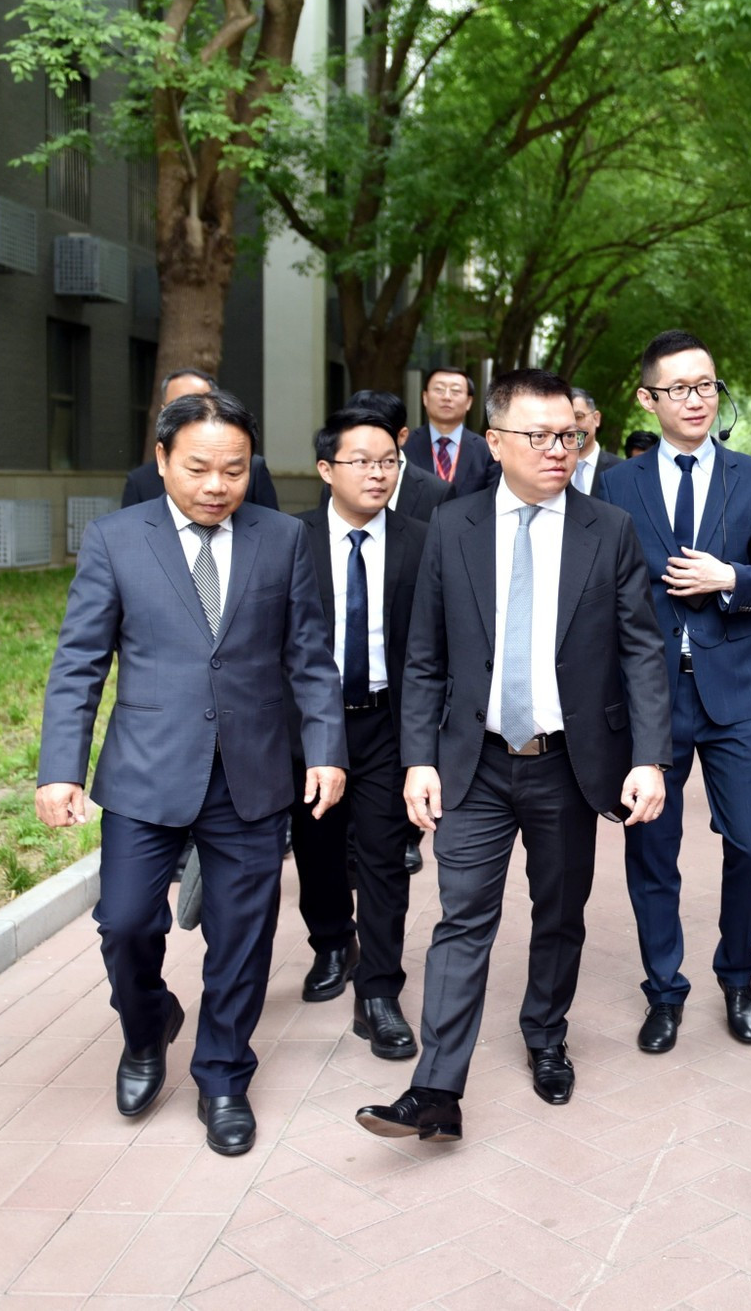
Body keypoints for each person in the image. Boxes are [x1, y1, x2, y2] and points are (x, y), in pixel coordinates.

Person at [356, 369, 671, 1143]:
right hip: (476, 762)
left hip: (569, 761)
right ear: (494, 442)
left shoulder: (609, 529)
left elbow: (641, 651)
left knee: (559, 913)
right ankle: (435, 1088)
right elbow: (425, 655)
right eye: (539, 436)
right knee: (462, 919)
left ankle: (546, 1034)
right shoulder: (454, 528)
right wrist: (418, 758)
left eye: (570, 434)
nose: (558, 449)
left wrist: (650, 756)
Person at [37, 389, 343, 1156]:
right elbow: (79, 661)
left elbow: (308, 655)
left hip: (252, 771)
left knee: (244, 934)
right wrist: (59, 768)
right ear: (164, 460)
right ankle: (148, 1028)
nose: (217, 485)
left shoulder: (281, 539)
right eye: (200, 467)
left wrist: (328, 747)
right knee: (126, 922)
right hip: (146, 771)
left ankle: (222, 1075)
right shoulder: (116, 539)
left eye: (234, 470)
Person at [603, 331, 751, 1053]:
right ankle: (664, 989)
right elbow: (605, 588)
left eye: (707, 385)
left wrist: (732, 579)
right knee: (652, 849)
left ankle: (737, 973)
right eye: (679, 388)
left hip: (734, 694)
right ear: (648, 399)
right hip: (649, 698)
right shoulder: (619, 483)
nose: (696, 399)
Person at [288, 408, 430, 1058]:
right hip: (309, 728)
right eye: (361, 461)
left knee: (382, 856)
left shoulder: (420, 540)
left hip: (385, 723)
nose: (378, 473)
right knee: (316, 849)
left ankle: (378, 991)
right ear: (326, 469)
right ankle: (329, 943)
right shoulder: (290, 541)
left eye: (388, 461)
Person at [122, 368, 279, 509]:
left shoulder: (254, 467)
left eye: (232, 473)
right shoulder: (140, 480)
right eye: (196, 470)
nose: (215, 487)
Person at [338, 389, 453, 526]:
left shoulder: (437, 492)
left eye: (379, 433)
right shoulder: (336, 481)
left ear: (402, 436)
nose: (367, 441)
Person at [403, 367, 500, 497]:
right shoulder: (405, 445)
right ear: (425, 397)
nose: (446, 397)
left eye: (455, 391)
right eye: (439, 390)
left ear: (469, 402)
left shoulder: (486, 450)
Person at [569, 387, 622, 496]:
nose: (572, 426)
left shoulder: (621, 470)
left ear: (596, 419)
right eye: (566, 419)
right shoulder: (550, 467)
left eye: (578, 417)